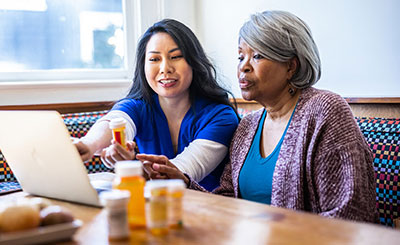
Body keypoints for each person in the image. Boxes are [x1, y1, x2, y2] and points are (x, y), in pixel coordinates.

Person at [137, 10, 378, 222]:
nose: (244, 66)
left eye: (258, 56)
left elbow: (351, 214)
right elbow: (228, 202)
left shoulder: (325, 111)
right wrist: (183, 182)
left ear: (291, 66)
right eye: (240, 56)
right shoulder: (248, 126)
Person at [74, 19, 239, 191]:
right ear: (143, 66)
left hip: (208, 208)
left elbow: (181, 172)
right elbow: (114, 123)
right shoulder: (137, 107)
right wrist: (88, 145)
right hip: (155, 207)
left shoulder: (221, 117)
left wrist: (131, 166)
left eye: (176, 57)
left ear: (193, 62)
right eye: (154, 59)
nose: (165, 68)